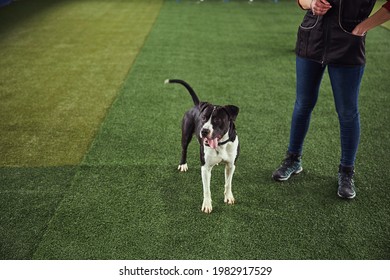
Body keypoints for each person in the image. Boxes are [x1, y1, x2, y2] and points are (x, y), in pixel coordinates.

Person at [272, 0, 390, 199]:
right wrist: (311, 4)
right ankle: (293, 159)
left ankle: (346, 171)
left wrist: (363, 27)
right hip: (311, 36)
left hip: (349, 42)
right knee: (303, 104)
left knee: (347, 112)